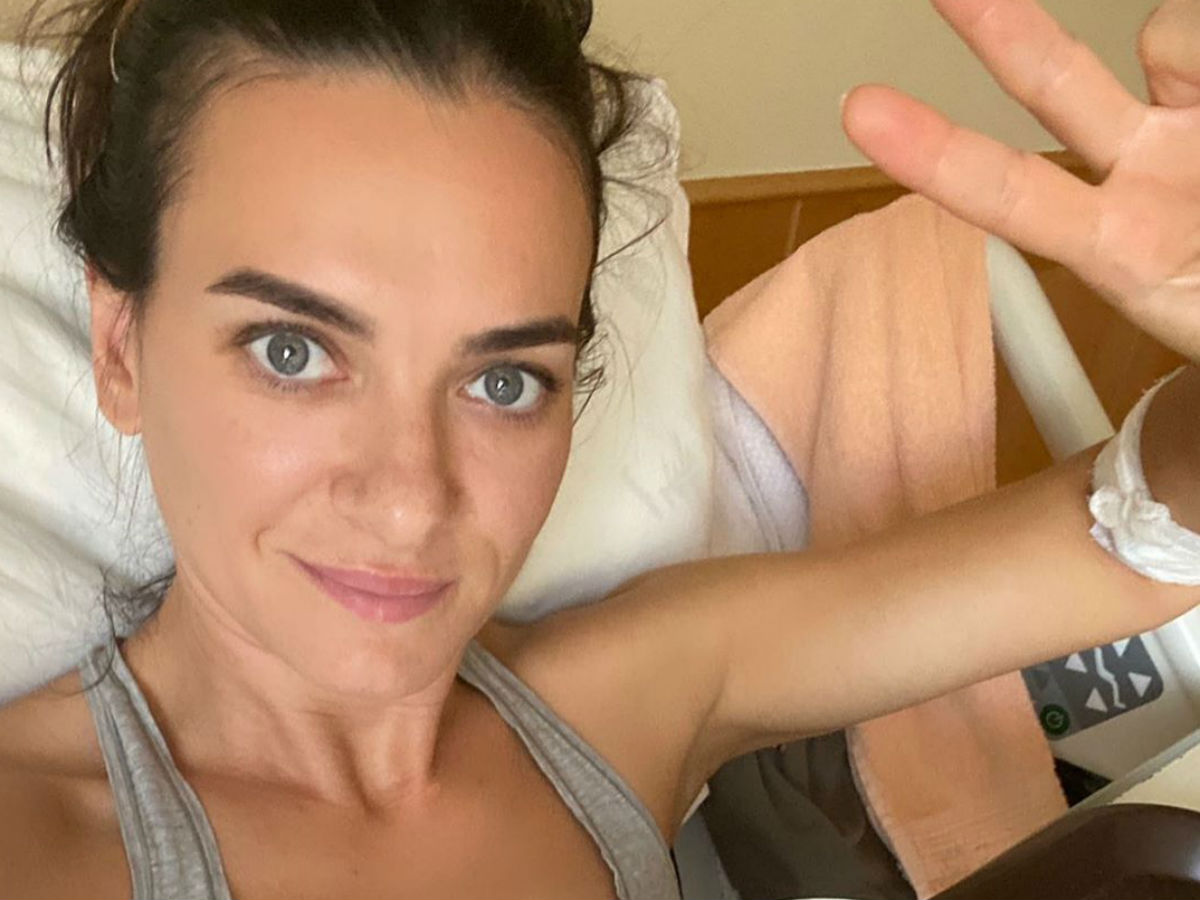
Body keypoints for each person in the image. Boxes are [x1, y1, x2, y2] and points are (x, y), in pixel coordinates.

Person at [1, 0, 1199, 897]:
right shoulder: (38, 840)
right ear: (121, 348)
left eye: (504, 380)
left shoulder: (624, 699)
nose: (412, 500)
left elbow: (1127, 538)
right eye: (292, 352)